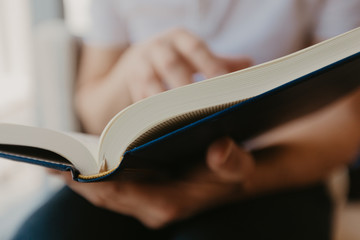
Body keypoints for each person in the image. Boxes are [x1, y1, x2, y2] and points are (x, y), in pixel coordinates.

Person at [13, 0, 360, 239]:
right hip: (138, 170)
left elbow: (344, 117)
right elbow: (91, 104)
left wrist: (247, 180)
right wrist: (131, 71)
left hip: (276, 169)